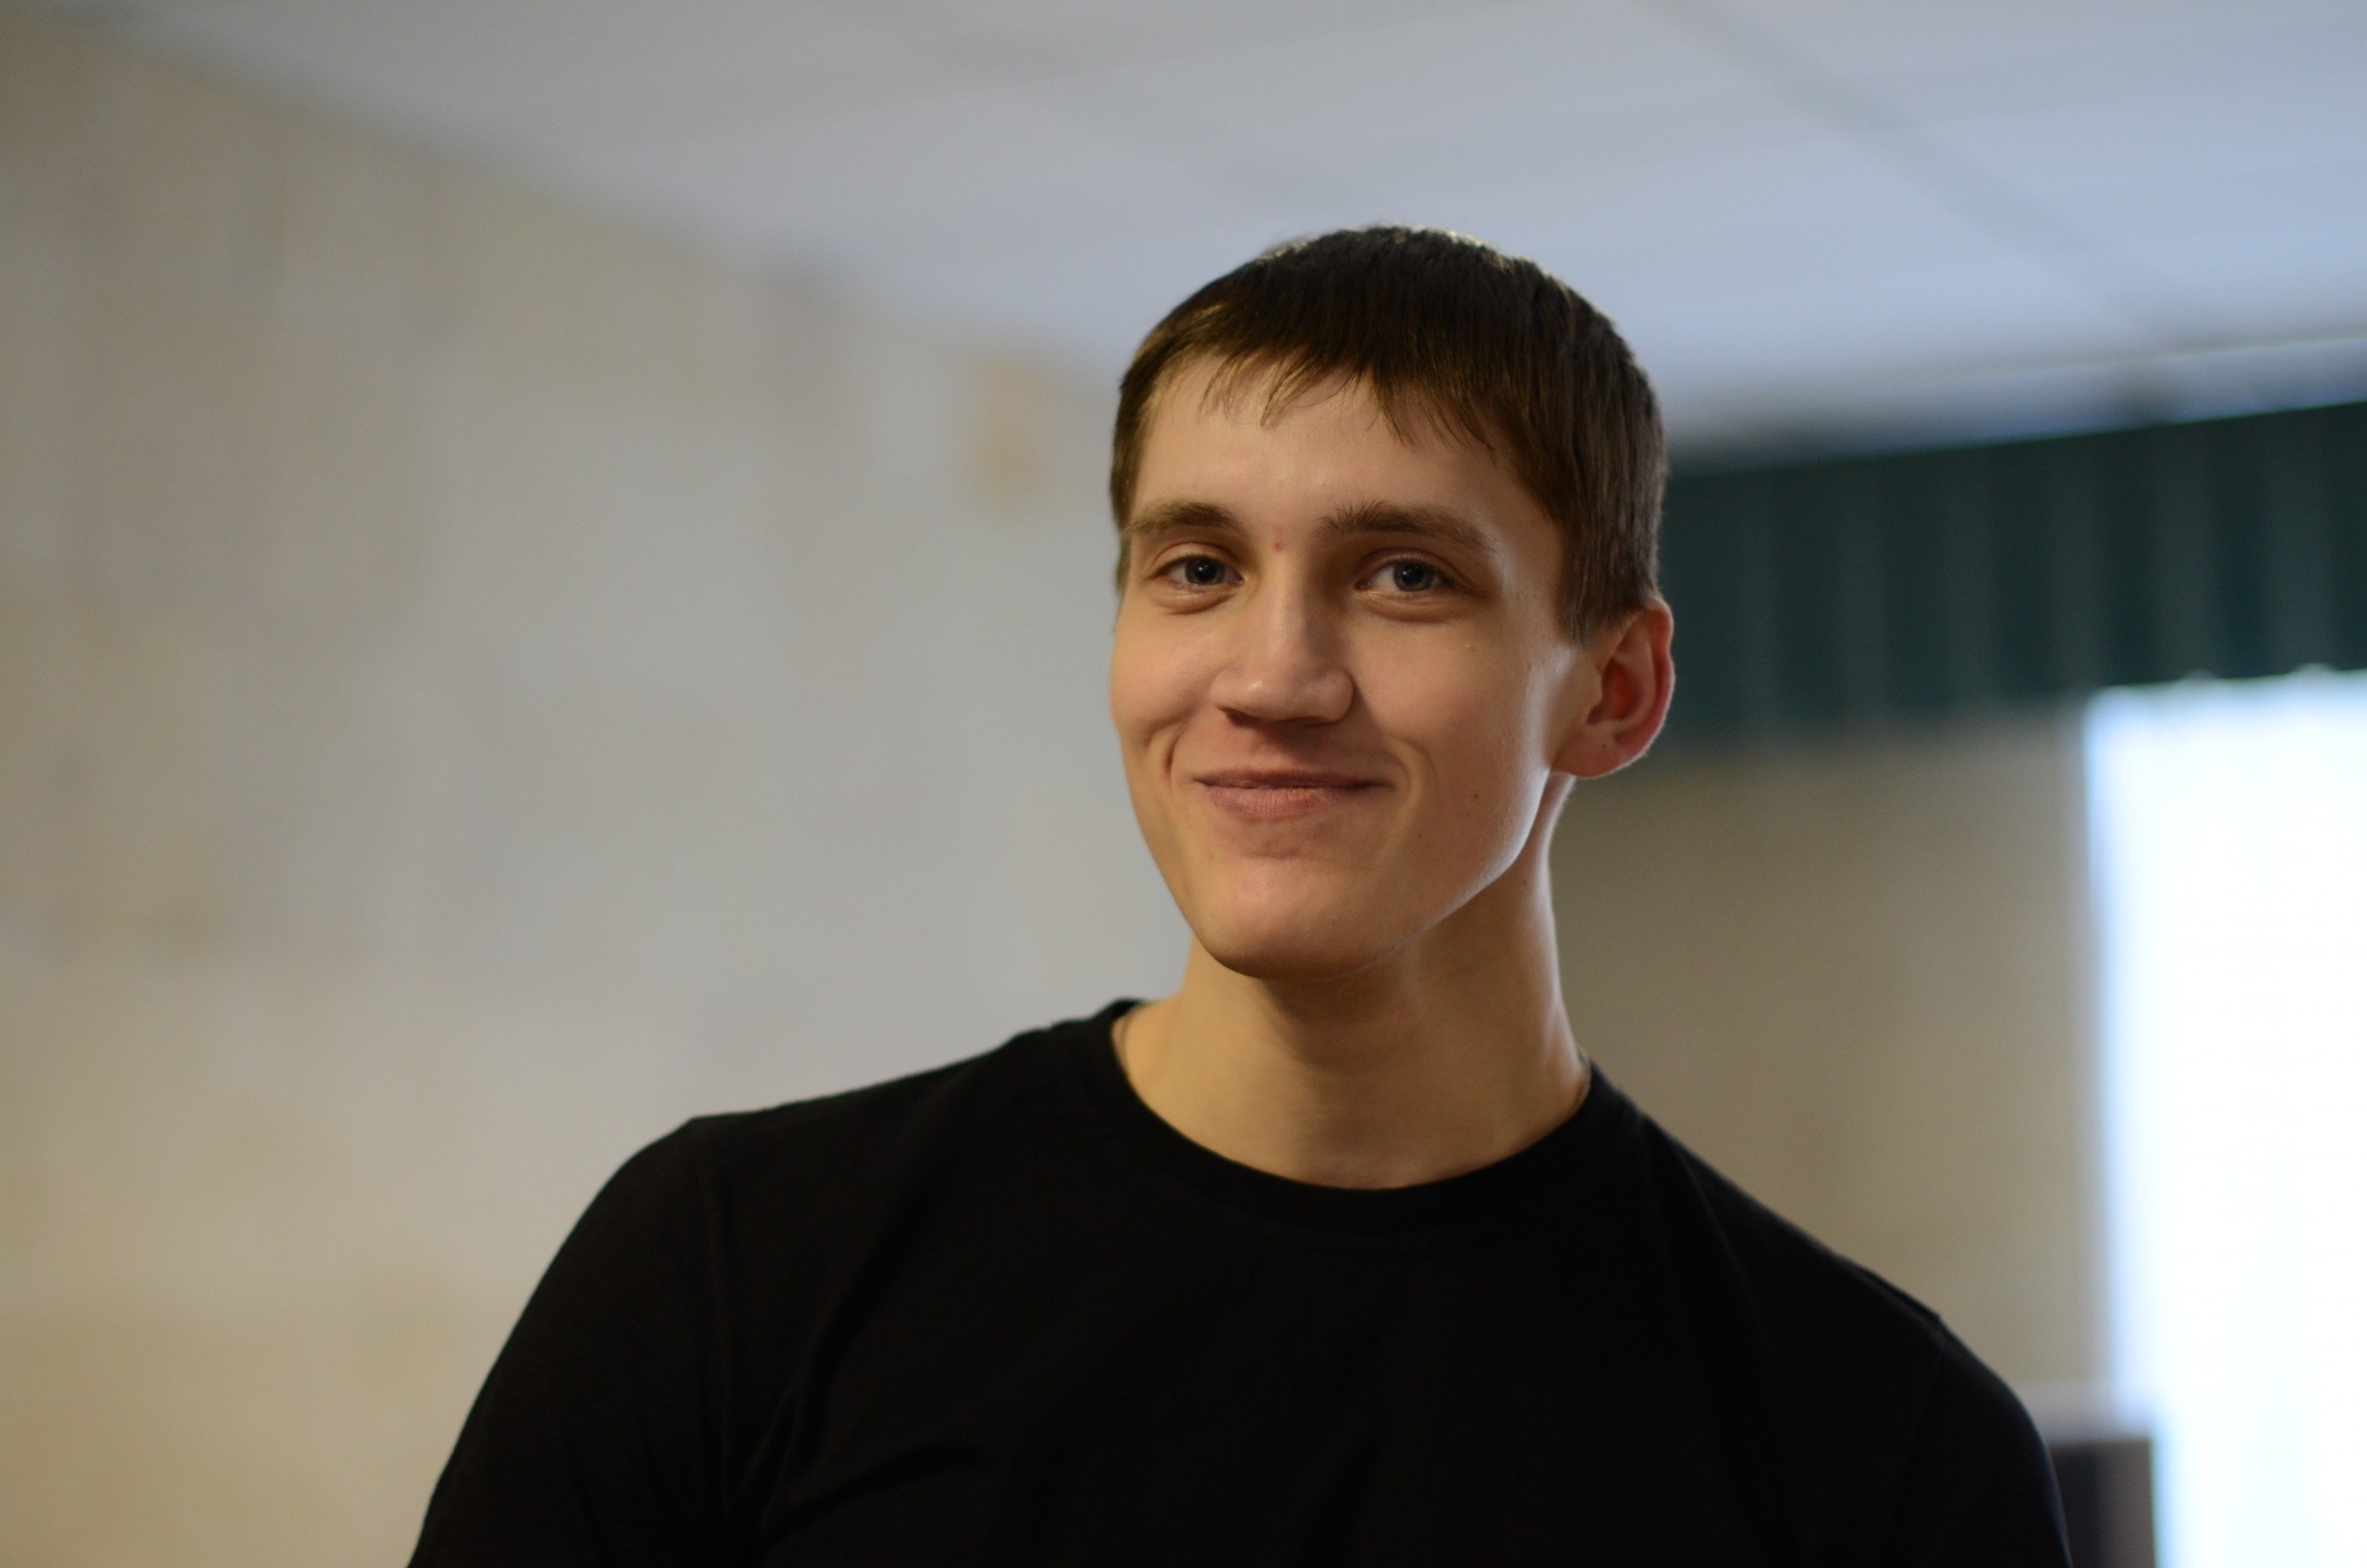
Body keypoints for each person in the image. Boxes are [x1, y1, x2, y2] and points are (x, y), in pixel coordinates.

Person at [407, 227, 2071, 1565]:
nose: (1272, 677)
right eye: (1197, 568)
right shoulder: (733, 1273)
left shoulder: (1882, 1444)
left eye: (1404, 576)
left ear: (1613, 689)